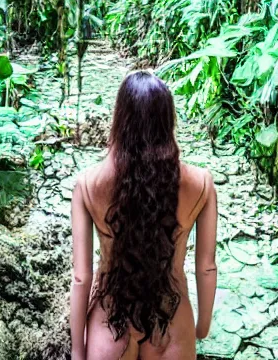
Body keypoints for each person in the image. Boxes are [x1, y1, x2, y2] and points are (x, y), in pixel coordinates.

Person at [71, 70, 218, 360]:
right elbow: (207, 268)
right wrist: (202, 327)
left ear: (119, 120)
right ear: (167, 120)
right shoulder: (201, 183)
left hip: (109, 324)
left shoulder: (87, 184)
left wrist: (77, 350)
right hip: (171, 321)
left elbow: (80, 278)